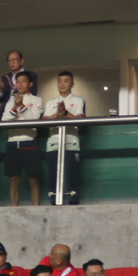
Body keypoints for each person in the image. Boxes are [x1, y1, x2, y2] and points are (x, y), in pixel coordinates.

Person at [1, 72, 44, 207]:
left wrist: (22, 106)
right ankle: (14, 209)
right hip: (12, 142)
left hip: (29, 141)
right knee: (14, 179)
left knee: (33, 179)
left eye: (23, 81)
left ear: (30, 84)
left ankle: (36, 209)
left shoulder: (37, 100)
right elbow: (4, 120)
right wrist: (15, 106)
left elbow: (33, 120)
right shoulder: (10, 101)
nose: (19, 84)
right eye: (18, 81)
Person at [41, 72, 84, 205]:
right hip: (53, 144)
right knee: (53, 175)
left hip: (71, 143)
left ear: (72, 84)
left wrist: (65, 113)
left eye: (66, 81)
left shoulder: (78, 101)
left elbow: (81, 120)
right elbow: (44, 121)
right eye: (60, 81)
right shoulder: (51, 102)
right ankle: (54, 203)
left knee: (73, 175)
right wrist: (58, 114)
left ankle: (74, 203)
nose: (62, 84)